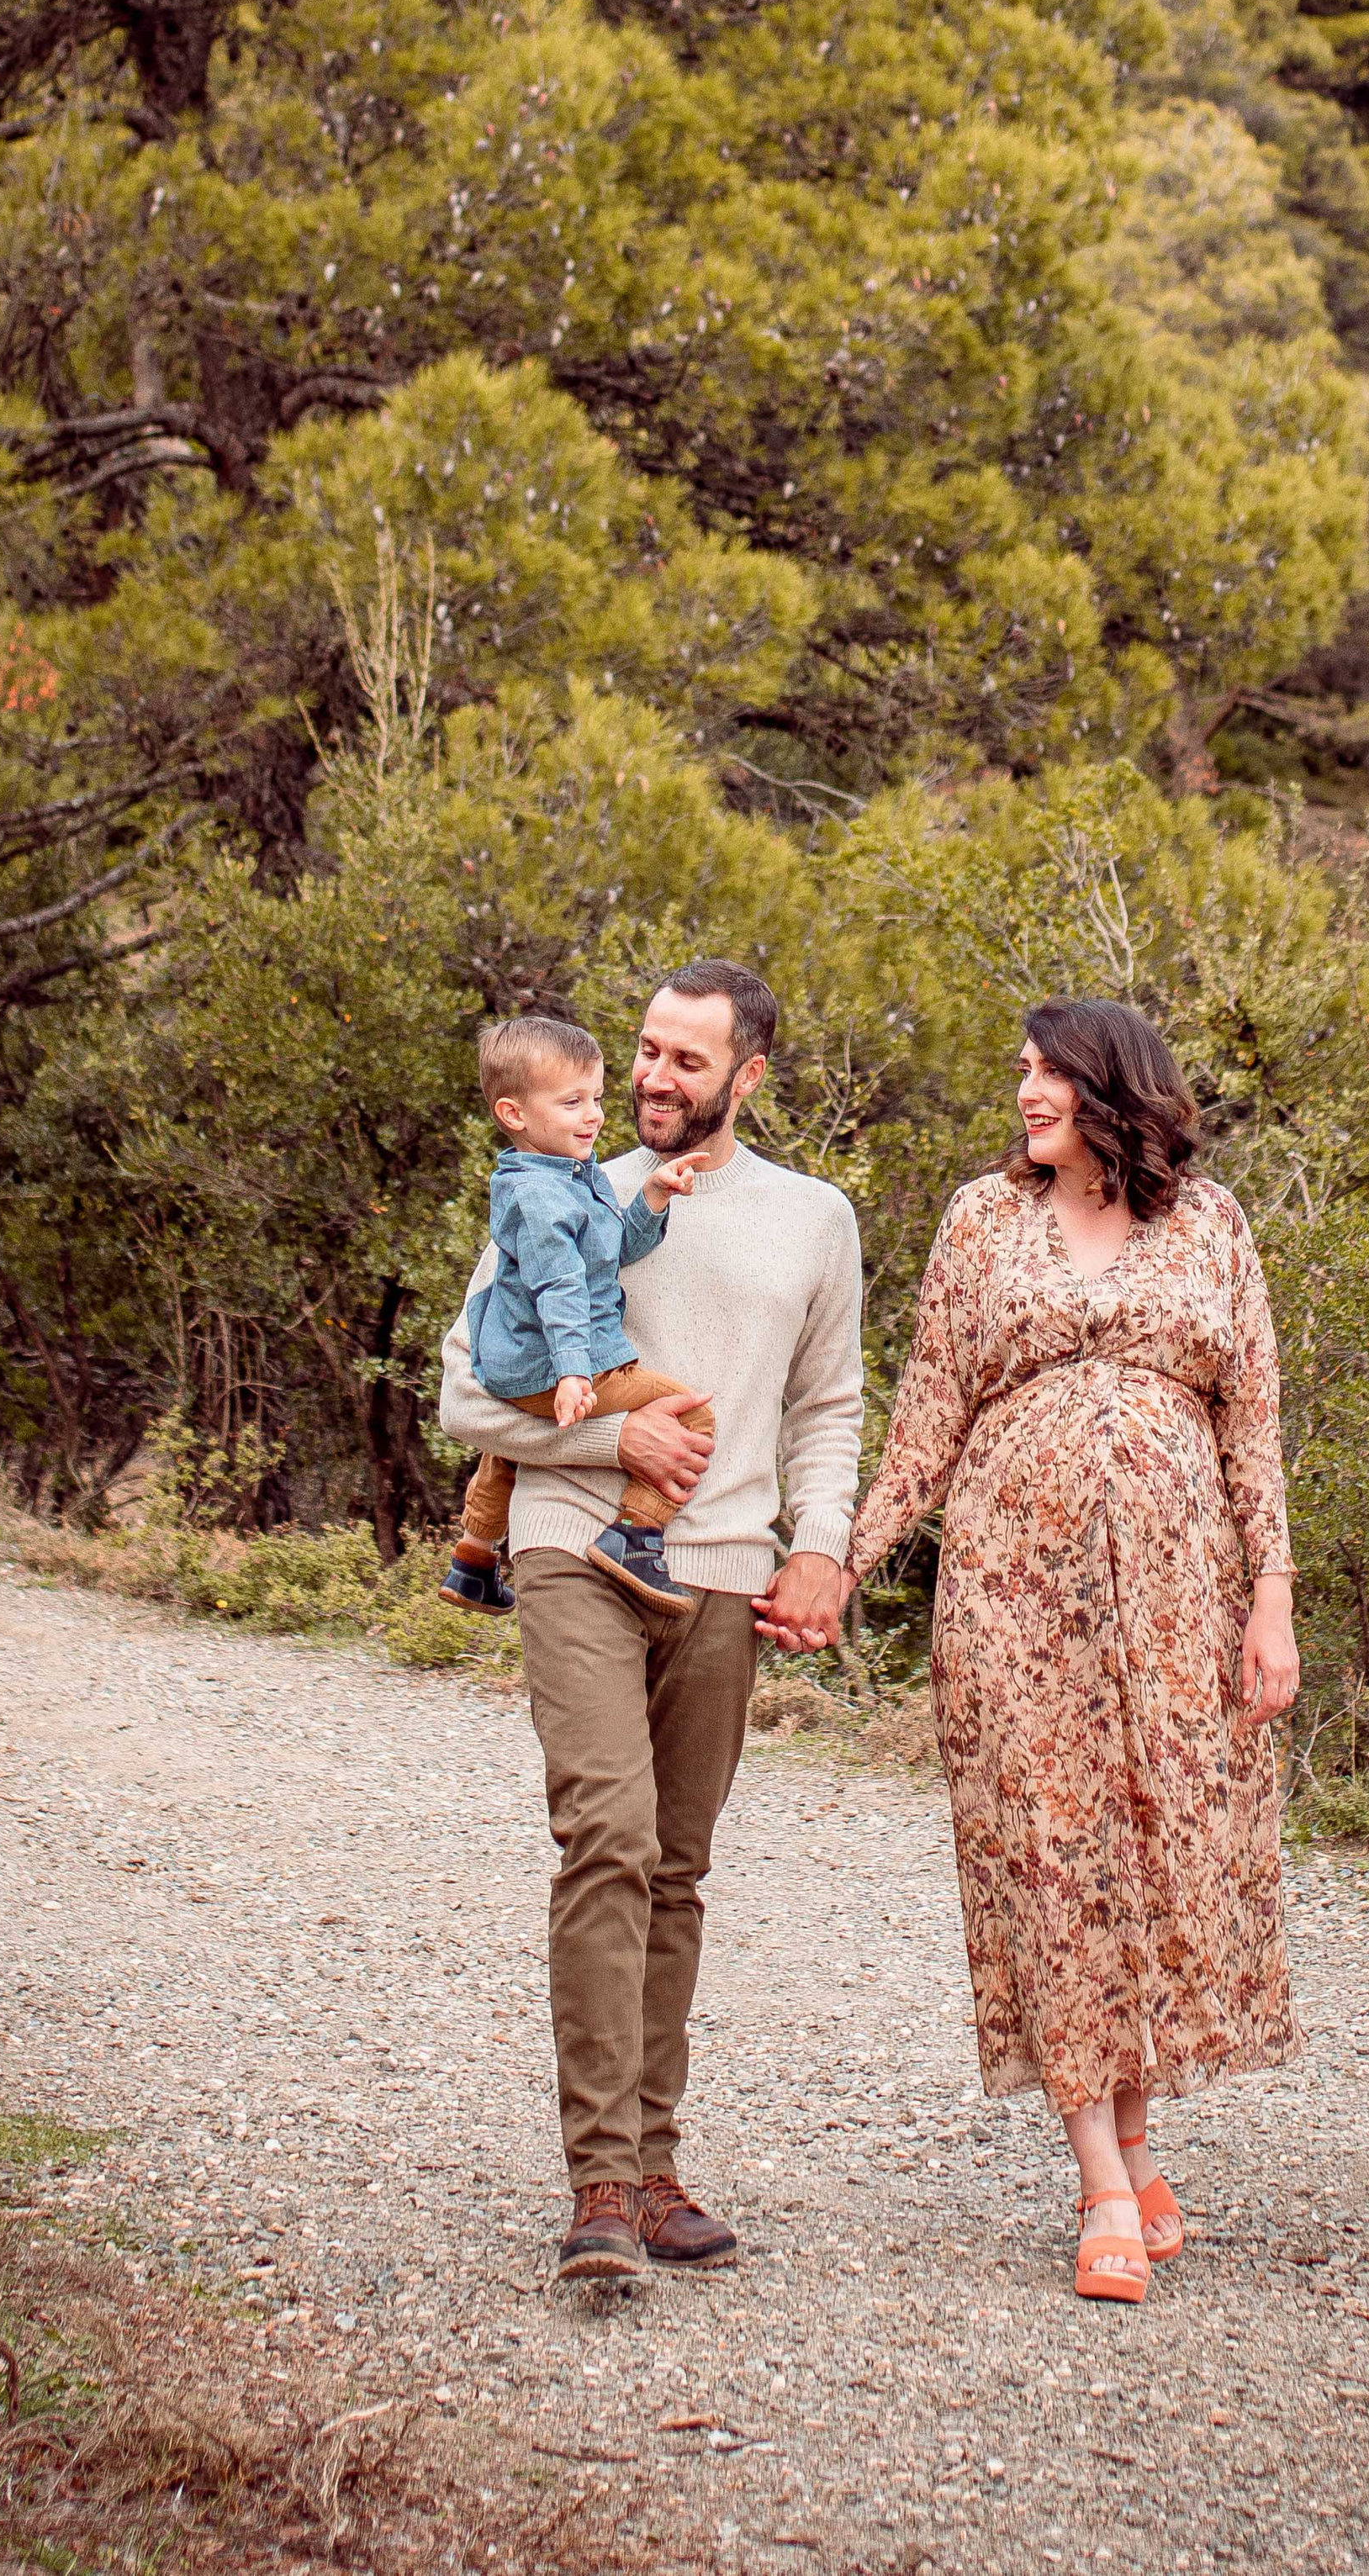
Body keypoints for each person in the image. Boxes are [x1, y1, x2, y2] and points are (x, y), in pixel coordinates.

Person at [839, 999, 1302, 2307]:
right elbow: (928, 1413)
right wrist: (842, 1562)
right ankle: (1100, 2177)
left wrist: (1272, 1599)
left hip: (1179, 1598)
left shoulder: (1209, 1225)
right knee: (1048, 1855)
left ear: (1112, 1089)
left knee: (1151, 1857)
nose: (1024, 1090)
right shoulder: (982, 1222)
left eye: (1047, 1071)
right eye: (1021, 1069)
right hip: (1010, 1596)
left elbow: (1253, 1421)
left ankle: (1137, 2146)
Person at [439, 960, 863, 2282]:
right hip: (574, 1548)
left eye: (687, 1059)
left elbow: (827, 1406)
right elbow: (466, 1396)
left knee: (677, 1867)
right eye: (644, 1050)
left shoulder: (813, 1218)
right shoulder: (565, 1188)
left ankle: (656, 2163)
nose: (651, 1079)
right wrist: (612, 1441)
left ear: (749, 1076)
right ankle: (602, 2186)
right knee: (610, 1838)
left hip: (726, 1573)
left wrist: (822, 1546)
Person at [439, 1013, 708, 1619]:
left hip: (518, 1368)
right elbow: (560, 1288)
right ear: (514, 1114)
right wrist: (573, 1373)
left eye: (597, 1099)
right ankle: (635, 1533)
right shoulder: (542, 1197)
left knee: (507, 1448)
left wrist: (653, 1196)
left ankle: (473, 1558)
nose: (594, 1116)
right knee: (692, 1412)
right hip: (556, 1366)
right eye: (572, 1103)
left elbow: (608, 1253)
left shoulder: (563, 1177)